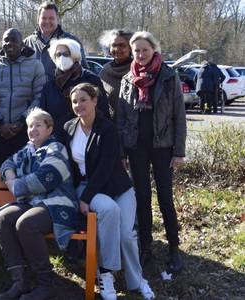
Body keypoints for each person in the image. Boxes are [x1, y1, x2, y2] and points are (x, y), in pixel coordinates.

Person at [64, 83, 154, 300]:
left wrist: (85, 199)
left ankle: (137, 280)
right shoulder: (68, 128)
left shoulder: (107, 128)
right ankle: (105, 275)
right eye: (75, 101)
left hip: (117, 186)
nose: (79, 105)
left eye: (83, 99)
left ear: (95, 101)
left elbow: (106, 166)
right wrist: (83, 196)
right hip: (89, 187)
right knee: (110, 211)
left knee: (126, 235)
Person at [117, 31, 186, 275]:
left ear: (154, 49)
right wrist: (123, 150)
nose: (141, 54)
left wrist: (179, 151)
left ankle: (174, 249)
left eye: (145, 49)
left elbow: (179, 116)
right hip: (136, 148)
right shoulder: (128, 79)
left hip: (163, 148)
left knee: (165, 199)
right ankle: (146, 246)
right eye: (136, 50)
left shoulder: (168, 77)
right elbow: (123, 117)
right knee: (142, 199)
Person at [0, 108, 78, 300]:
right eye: (30, 126)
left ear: (49, 129)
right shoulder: (27, 151)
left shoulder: (56, 148)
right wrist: (10, 176)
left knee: (26, 224)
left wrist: (15, 186)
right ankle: (20, 282)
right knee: (3, 219)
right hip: (33, 202)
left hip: (57, 202)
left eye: (38, 125)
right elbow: (7, 163)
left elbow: (45, 179)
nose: (32, 129)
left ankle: (45, 284)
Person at [0, 28, 46, 170]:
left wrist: (23, 122)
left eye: (14, 40)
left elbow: (39, 97)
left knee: (25, 174)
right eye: (6, 40)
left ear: (22, 44)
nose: (9, 43)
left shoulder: (35, 66)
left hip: (26, 131)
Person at [40, 38, 110, 143]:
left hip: (88, 140)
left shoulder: (90, 79)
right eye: (58, 55)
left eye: (66, 54)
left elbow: (103, 111)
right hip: (59, 142)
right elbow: (44, 117)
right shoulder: (49, 86)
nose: (62, 57)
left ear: (75, 56)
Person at [24, 1, 88, 81]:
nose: (47, 21)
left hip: (62, 92)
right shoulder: (26, 43)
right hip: (33, 93)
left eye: (51, 18)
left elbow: (84, 72)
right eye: (44, 18)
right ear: (38, 20)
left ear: (57, 19)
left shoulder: (72, 42)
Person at [99, 29, 134, 122]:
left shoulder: (138, 71)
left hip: (133, 128)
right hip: (109, 126)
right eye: (114, 45)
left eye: (122, 45)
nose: (117, 49)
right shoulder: (104, 73)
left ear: (130, 48)